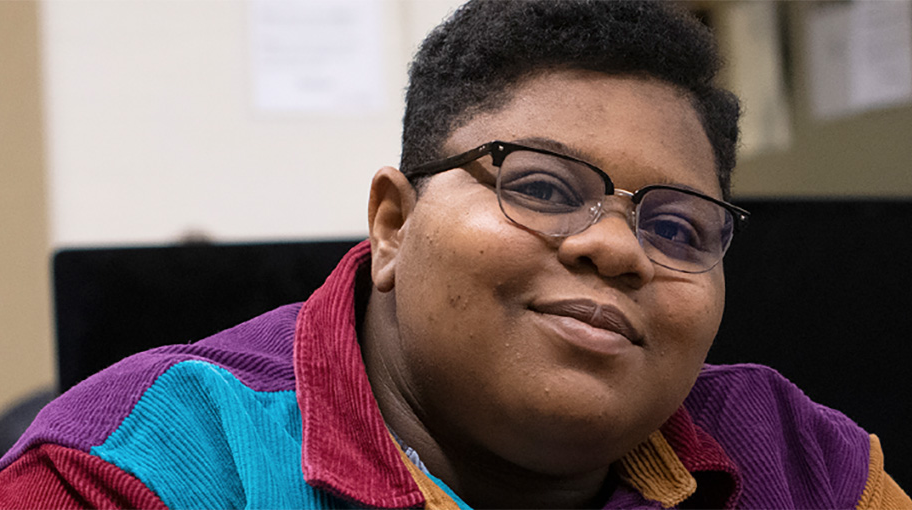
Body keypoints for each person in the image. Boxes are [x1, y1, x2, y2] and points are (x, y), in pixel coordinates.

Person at [1, 1, 908, 508]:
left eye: (676, 229)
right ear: (393, 224)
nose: (616, 247)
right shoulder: (128, 475)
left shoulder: (804, 466)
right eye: (544, 187)